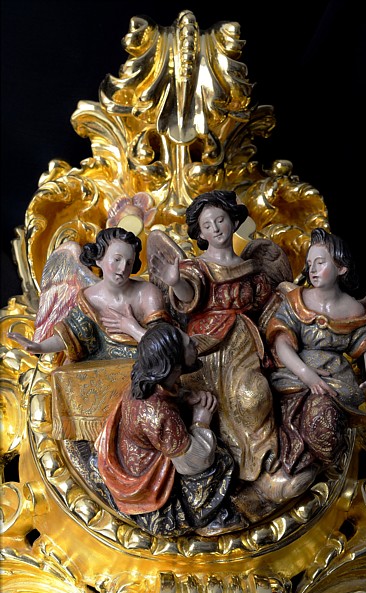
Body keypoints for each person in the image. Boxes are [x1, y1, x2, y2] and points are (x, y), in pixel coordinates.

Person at [149, 190, 292, 487]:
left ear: (233, 221)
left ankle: (260, 460)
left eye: (220, 220)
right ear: (200, 233)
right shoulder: (196, 268)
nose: (215, 229)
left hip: (243, 345)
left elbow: (268, 305)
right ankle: (213, 467)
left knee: (253, 397)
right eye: (207, 225)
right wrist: (175, 282)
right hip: (203, 349)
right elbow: (188, 296)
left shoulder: (252, 268)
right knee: (203, 402)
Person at [93, 322, 245, 537]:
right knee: (221, 461)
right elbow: (192, 462)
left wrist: (183, 396)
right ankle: (202, 517)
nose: (195, 343)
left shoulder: (147, 382)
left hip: (141, 448)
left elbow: (165, 396)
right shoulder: (159, 414)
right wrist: (201, 420)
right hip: (148, 484)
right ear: (174, 365)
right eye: (188, 344)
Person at [265, 227, 366, 480]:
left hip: (335, 381)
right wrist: (307, 375)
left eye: (320, 263)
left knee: (326, 421)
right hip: (293, 375)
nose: (312, 270)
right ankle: (285, 464)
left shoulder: (354, 310)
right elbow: (281, 343)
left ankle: (324, 472)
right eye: (309, 263)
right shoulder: (296, 300)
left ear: (341, 268)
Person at [8, 227, 170, 360]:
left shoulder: (147, 294)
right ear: (99, 259)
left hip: (145, 365)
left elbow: (164, 346)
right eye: (117, 260)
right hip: (102, 369)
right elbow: (71, 335)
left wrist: (131, 328)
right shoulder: (88, 298)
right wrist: (39, 347)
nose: (122, 269)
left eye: (129, 263)